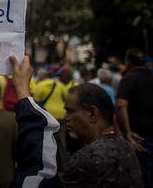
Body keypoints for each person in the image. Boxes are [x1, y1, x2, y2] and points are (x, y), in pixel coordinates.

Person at [10, 57, 144, 187]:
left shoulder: (89, 158)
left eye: (70, 111)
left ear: (92, 114)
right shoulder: (124, 146)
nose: (66, 117)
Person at [116, 48, 153, 188]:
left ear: (128, 62)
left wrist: (127, 132)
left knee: (145, 174)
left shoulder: (129, 78)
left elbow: (120, 105)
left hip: (140, 136)